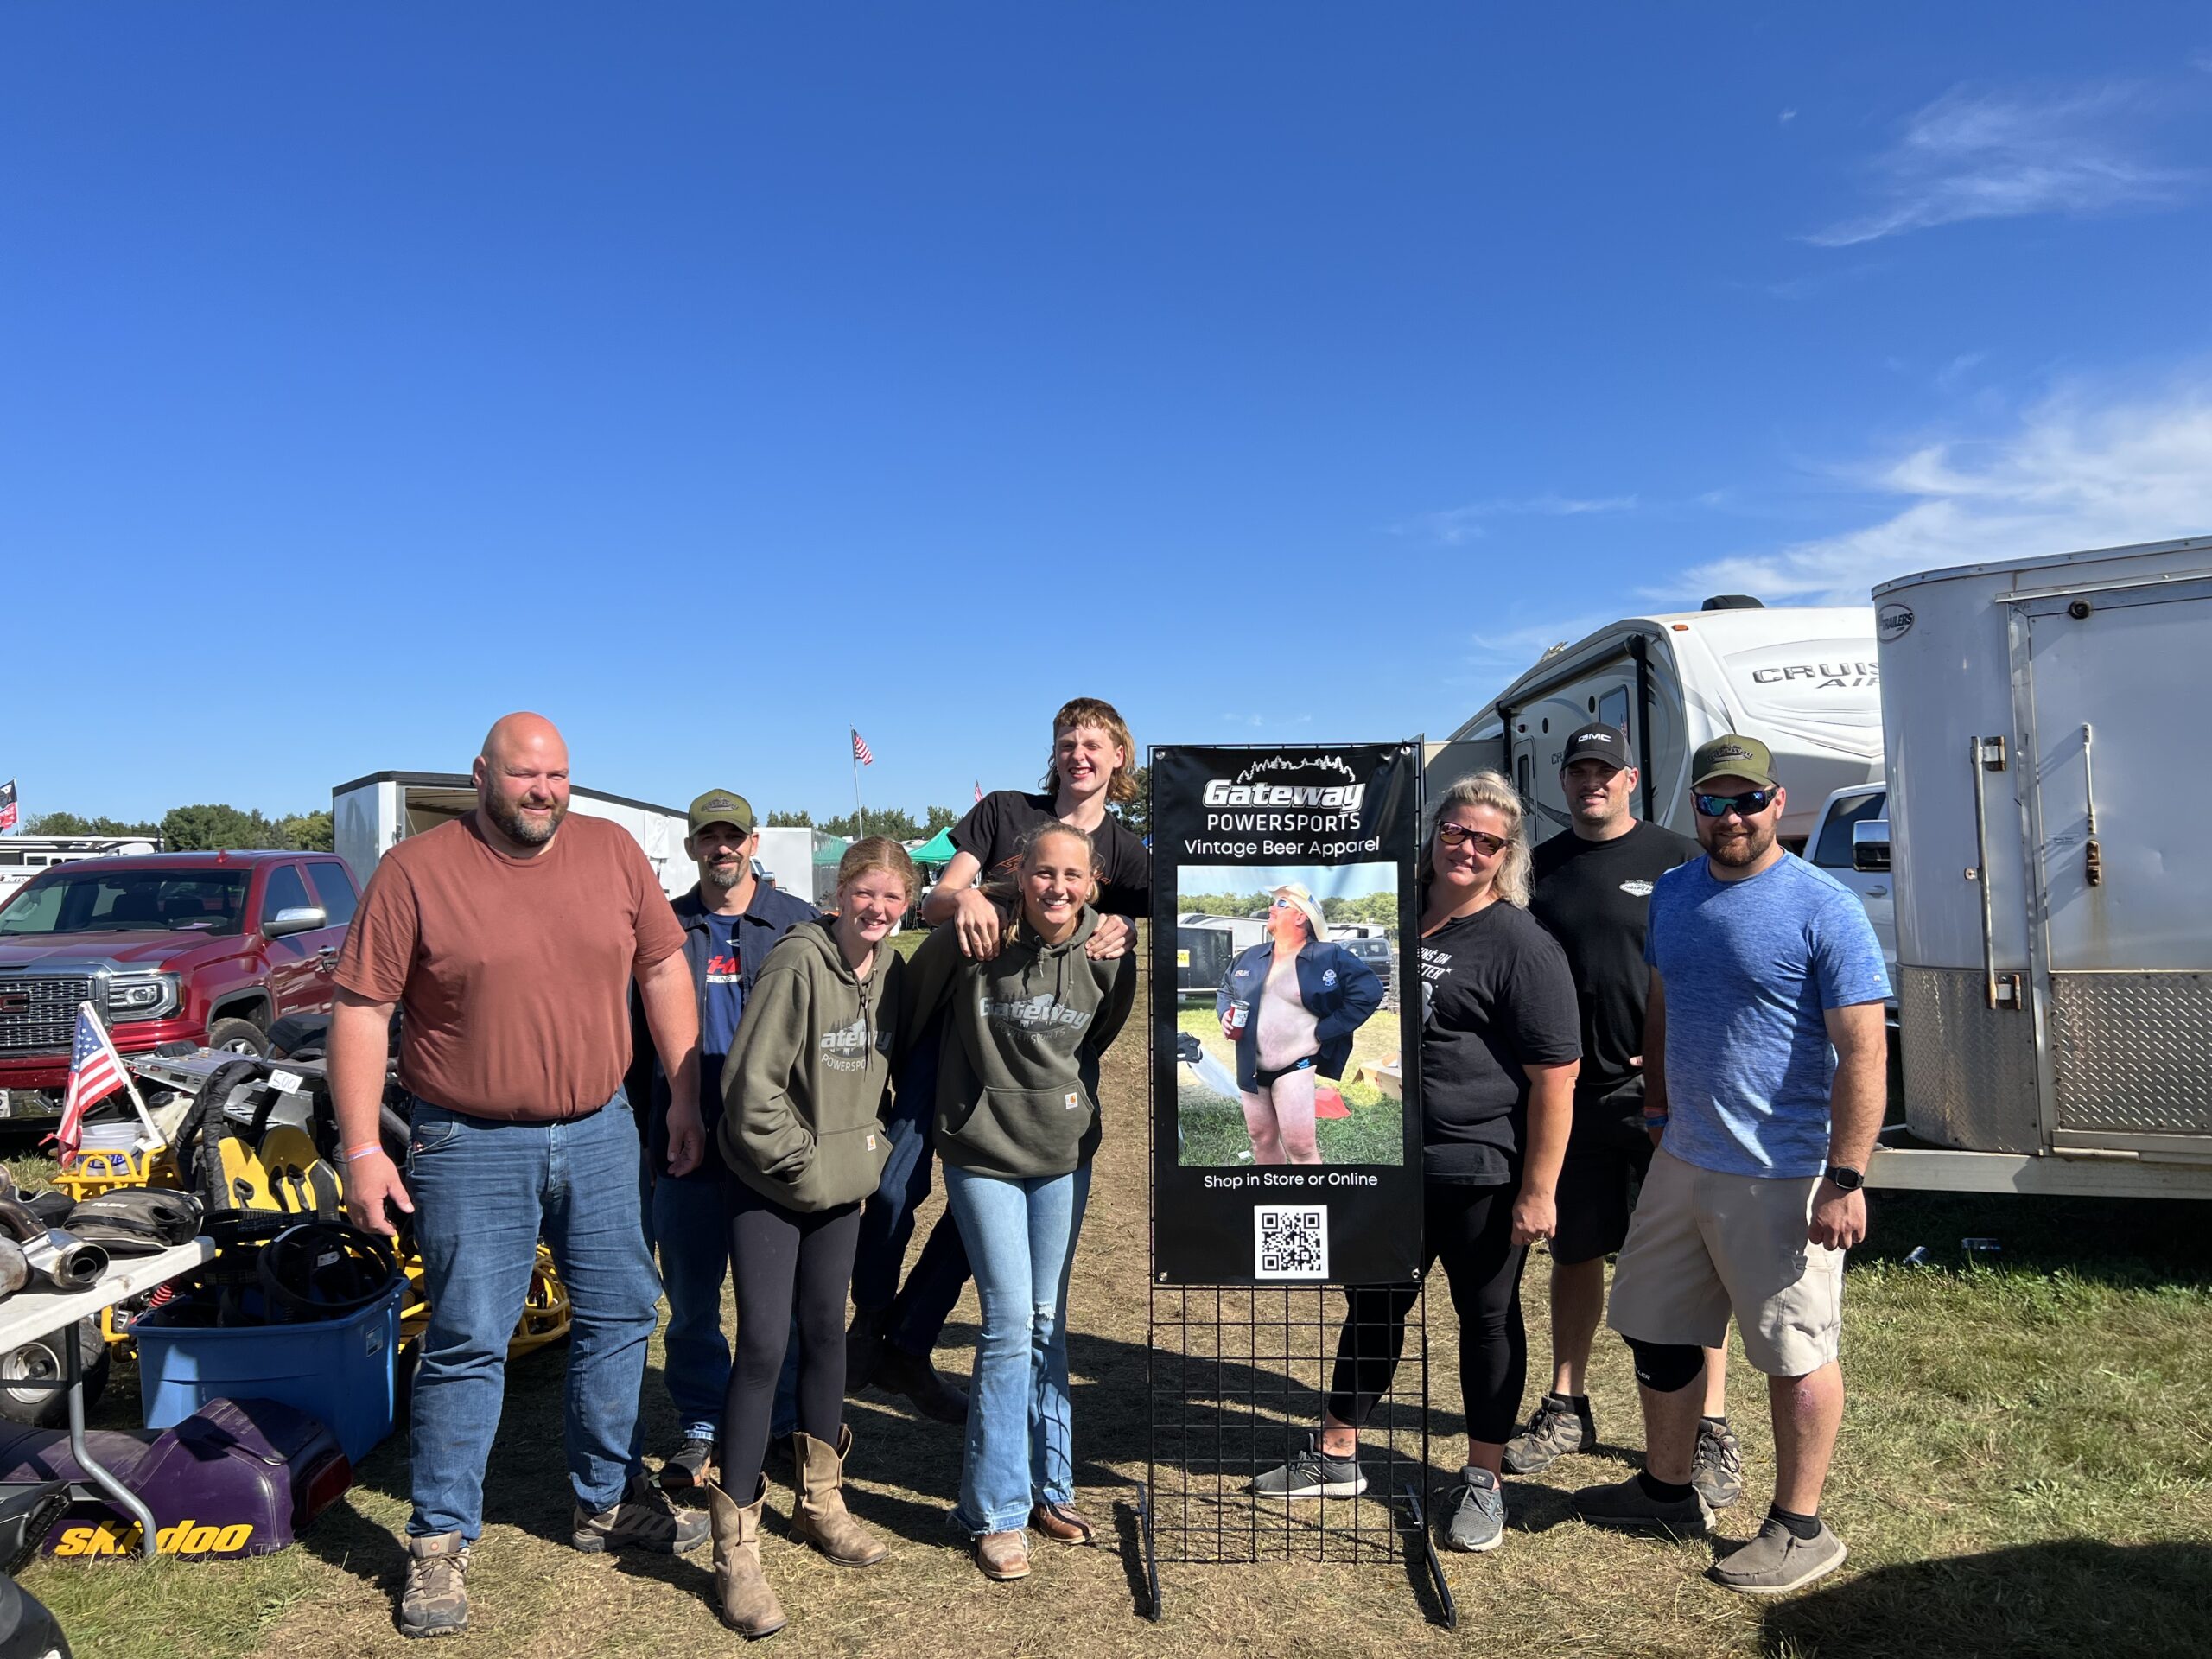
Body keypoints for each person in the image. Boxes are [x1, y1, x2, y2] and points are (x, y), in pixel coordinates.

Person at [328, 714, 707, 1641]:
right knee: (467, 1338)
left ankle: (603, 1499)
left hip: (601, 1129)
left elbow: (661, 966)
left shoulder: (612, 853)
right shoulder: (418, 870)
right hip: (467, 1140)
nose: (544, 790)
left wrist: (686, 1097)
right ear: (482, 776)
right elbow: (362, 1009)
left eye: (558, 775)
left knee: (621, 1313)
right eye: (525, 775)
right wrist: (363, 1149)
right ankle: (440, 1540)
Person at [1572, 734, 1888, 1596]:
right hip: (1684, 1157)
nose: (1732, 816)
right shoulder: (1676, 892)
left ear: (1777, 803)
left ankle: (1800, 1528)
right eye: (1714, 801)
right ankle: (1667, 1489)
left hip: (1781, 1170)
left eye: (1748, 799)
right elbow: (1666, 1000)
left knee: (1792, 1350)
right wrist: (1660, 1107)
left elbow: (1862, 1050)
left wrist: (1846, 1175)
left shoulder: (1823, 906)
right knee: (1655, 1322)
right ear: (1695, 810)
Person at [1252, 772, 1580, 1554]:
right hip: (1389, 1162)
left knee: (1487, 1319)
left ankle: (1484, 1479)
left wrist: (1539, 1189)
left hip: (1477, 1168)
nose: (1468, 849)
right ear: (1435, 833)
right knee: (1372, 1308)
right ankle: (1336, 1454)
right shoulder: (1398, 914)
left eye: (1487, 842)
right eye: (1457, 832)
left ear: (1507, 856)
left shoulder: (1522, 945)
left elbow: (1556, 1076)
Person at [847, 697, 1148, 1421]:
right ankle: (864, 1329)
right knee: (893, 1189)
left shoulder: (1129, 851)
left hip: (1037, 1056)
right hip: (953, 1033)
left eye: (1094, 744)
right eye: (1068, 740)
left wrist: (1126, 927)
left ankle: (909, 1345)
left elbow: (1145, 920)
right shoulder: (1007, 812)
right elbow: (939, 897)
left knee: (984, 1208)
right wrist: (969, 897)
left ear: (1119, 759)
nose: (1079, 753)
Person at [677, 838, 914, 1637]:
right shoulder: (796, 962)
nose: (877, 909)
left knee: (826, 1336)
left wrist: (865, 1148)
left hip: (837, 1186)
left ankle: (820, 1502)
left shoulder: (889, 972)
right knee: (766, 1349)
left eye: (892, 899)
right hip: (770, 1185)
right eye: (864, 894)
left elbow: (886, 1072)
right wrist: (808, 1163)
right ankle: (735, 1548)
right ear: (839, 892)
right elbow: (749, 1089)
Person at [1506, 725, 1742, 1509]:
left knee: (1694, 1267)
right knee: (1574, 1253)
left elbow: (1721, 955)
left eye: (1605, 771)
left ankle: (1709, 1426)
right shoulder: (1536, 866)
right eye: (1578, 771)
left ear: (1632, 779)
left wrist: (1686, 1049)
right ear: (1564, 780)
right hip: (1569, 1099)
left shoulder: (1680, 856)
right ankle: (1566, 1403)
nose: (1591, 783)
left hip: (1663, 1102)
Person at [899, 822, 1136, 1581]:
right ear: (1019, 876)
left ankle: (1051, 1485)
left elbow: (1096, 1039)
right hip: (982, 1153)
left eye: (1073, 876)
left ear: (1092, 883)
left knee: (1047, 1321)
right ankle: (992, 1510)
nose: (1057, 888)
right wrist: (965, 896)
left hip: (1063, 1155)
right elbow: (907, 1014)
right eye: (1043, 874)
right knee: (1008, 1321)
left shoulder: (1109, 950)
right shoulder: (977, 934)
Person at [629, 789, 819, 1492]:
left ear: (754, 843)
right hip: (688, 1150)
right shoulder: (663, 931)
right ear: (690, 848)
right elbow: (632, 1046)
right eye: (709, 837)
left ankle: (783, 1424)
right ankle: (704, 1424)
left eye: (733, 836)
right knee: (693, 1301)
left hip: (780, 1152)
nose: (722, 848)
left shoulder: (802, 925)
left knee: (787, 1303)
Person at [1214, 882, 1384, 1164]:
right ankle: (1272, 1195)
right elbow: (1226, 990)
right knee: (1261, 1138)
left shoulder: (1329, 956)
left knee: (1300, 1147)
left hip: (1296, 1065)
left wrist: (1322, 1032)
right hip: (1250, 1065)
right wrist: (1225, 1015)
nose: (1271, 907)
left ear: (1301, 916)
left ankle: (1312, 1202)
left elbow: (1369, 993)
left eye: (1281, 904)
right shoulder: (1249, 957)